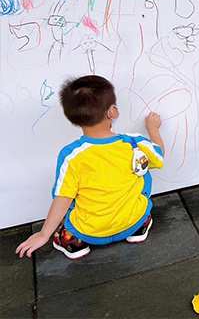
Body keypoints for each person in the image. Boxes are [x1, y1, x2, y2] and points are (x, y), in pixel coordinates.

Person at [16, 75, 164, 260]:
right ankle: (138, 228)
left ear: (73, 119)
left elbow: (63, 197)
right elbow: (159, 156)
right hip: (133, 220)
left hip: (91, 232)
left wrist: (44, 234)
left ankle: (73, 243)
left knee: (69, 220)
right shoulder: (135, 143)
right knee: (140, 196)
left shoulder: (71, 156)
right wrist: (153, 130)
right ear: (113, 112)